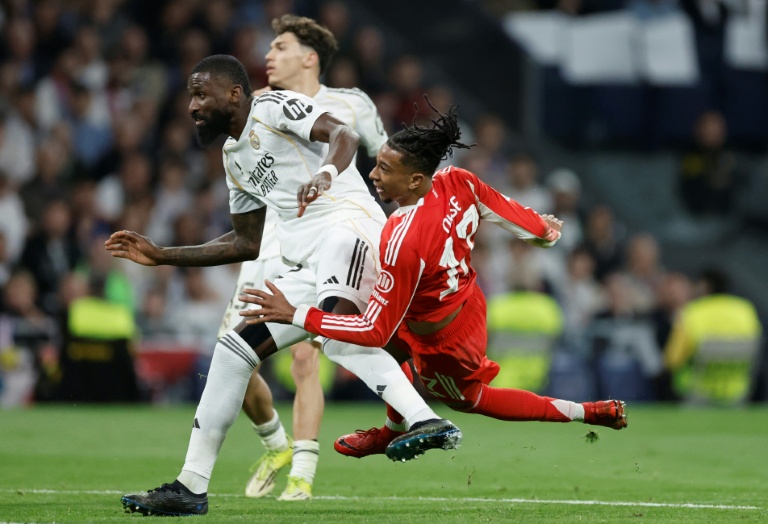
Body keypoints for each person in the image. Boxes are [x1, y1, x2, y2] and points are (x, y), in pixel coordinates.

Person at [108, 55, 459, 517]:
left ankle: (426, 419)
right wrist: (163, 255)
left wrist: (326, 174)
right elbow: (246, 242)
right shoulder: (233, 158)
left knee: (335, 333)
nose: (191, 105)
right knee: (235, 350)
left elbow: (344, 134)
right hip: (309, 263)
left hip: (348, 229)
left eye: (200, 94)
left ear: (233, 93)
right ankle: (190, 487)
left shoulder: (273, 107)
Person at [240, 102, 628, 459]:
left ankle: (585, 412)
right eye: (377, 163)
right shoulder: (458, 180)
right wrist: (546, 231)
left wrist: (297, 314)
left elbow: (373, 330)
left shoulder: (402, 237)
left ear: (415, 180)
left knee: (471, 399)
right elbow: (512, 214)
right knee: (385, 353)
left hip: (444, 341)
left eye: (385, 170)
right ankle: (392, 428)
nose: (373, 174)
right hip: (458, 299)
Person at [217, 14, 390, 502]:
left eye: (280, 46)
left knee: (304, 356)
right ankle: (276, 443)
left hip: (328, 238)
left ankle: (303, 476)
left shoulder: (349, 104)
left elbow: (389, 159)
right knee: (234, 357)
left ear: (309, 57)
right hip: (270, 243)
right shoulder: (260, 110)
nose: (268, 55)